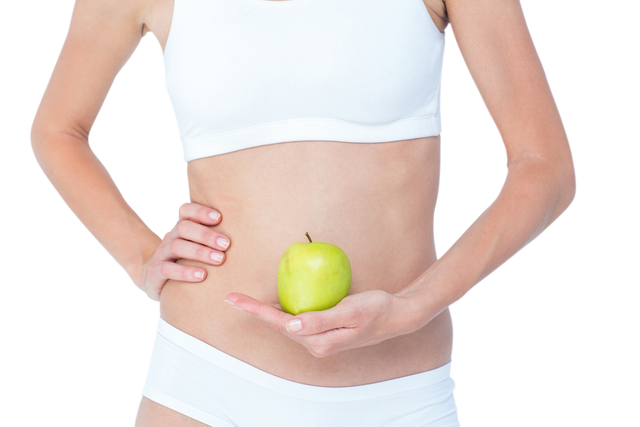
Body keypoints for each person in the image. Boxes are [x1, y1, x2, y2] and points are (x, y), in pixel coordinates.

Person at [27, 0, 578, 425]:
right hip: (206, 383)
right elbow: (57, 130)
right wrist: (140, 254)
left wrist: (414, 307)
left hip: (398, 395)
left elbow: (545, 169)